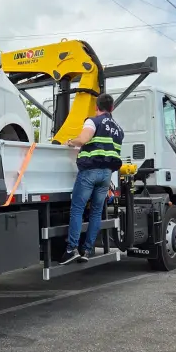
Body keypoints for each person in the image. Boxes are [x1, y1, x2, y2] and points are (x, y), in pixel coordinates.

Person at [61, 93, 124, 265]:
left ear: (97, 107)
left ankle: (71, 249)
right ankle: (87, 250)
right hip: (106, 175)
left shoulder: (93, 121)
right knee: (96, 212)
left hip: (90, 171)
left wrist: (69, 142)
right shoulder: (119, 129)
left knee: (77, 209)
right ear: (112, 108)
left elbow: (83, 139)